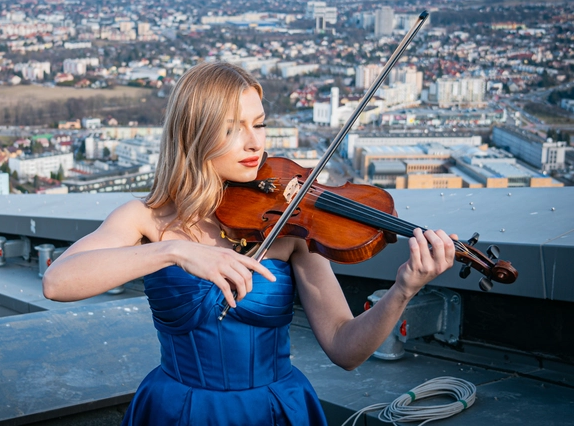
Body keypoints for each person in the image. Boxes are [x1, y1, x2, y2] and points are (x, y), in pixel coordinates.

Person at [42, 62, 456, 425]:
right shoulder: (146, 218)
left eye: (258, 123)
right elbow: (58, 282)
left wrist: (403, 290)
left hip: (274, 410)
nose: (255, 143)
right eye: (232, 128)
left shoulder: (290, 226)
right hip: (178, 410)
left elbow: (345, 349)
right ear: (195, 133)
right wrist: (174, 250)